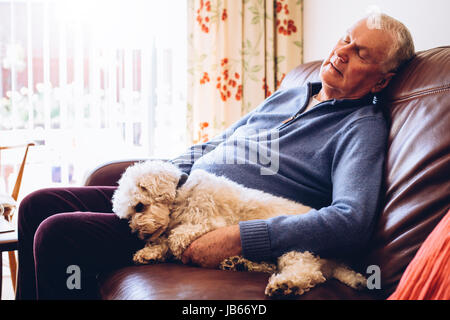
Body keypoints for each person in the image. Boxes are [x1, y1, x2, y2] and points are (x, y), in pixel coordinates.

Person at [15, 13, 415, 299]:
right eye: (346, 38)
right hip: (179, 194)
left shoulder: (361, 128)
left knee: (58, 232)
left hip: (208, 219)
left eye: (361, 53)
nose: (342, 52)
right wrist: (165, 174)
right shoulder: (296, 90)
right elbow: (218, 143)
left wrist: (241, 238)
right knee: (38, 203)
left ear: (382, 79)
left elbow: (351, 220)